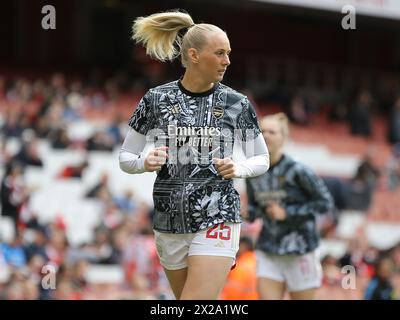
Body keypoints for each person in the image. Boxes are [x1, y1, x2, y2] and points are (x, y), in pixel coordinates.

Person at [119, 10, 269, 300]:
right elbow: (127, 156)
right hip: (168, 220)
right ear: (194, 55)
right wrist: (144, 163)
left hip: (219, 215)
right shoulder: (155, 99)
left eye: (228, 53)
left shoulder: (237, 103)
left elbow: (261, 159)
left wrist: (238, 168)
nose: (227, 61)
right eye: (220, 53)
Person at [245, 112, 334, 300]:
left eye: (272, 132)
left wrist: (288, 213)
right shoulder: (253, 171)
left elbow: (325, 203)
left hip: (300, 249)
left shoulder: (298, 170)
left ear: (284, 138)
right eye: (262, 131)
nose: (266, 135)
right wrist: (246, 212)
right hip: (268, 248)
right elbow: (255, 209)